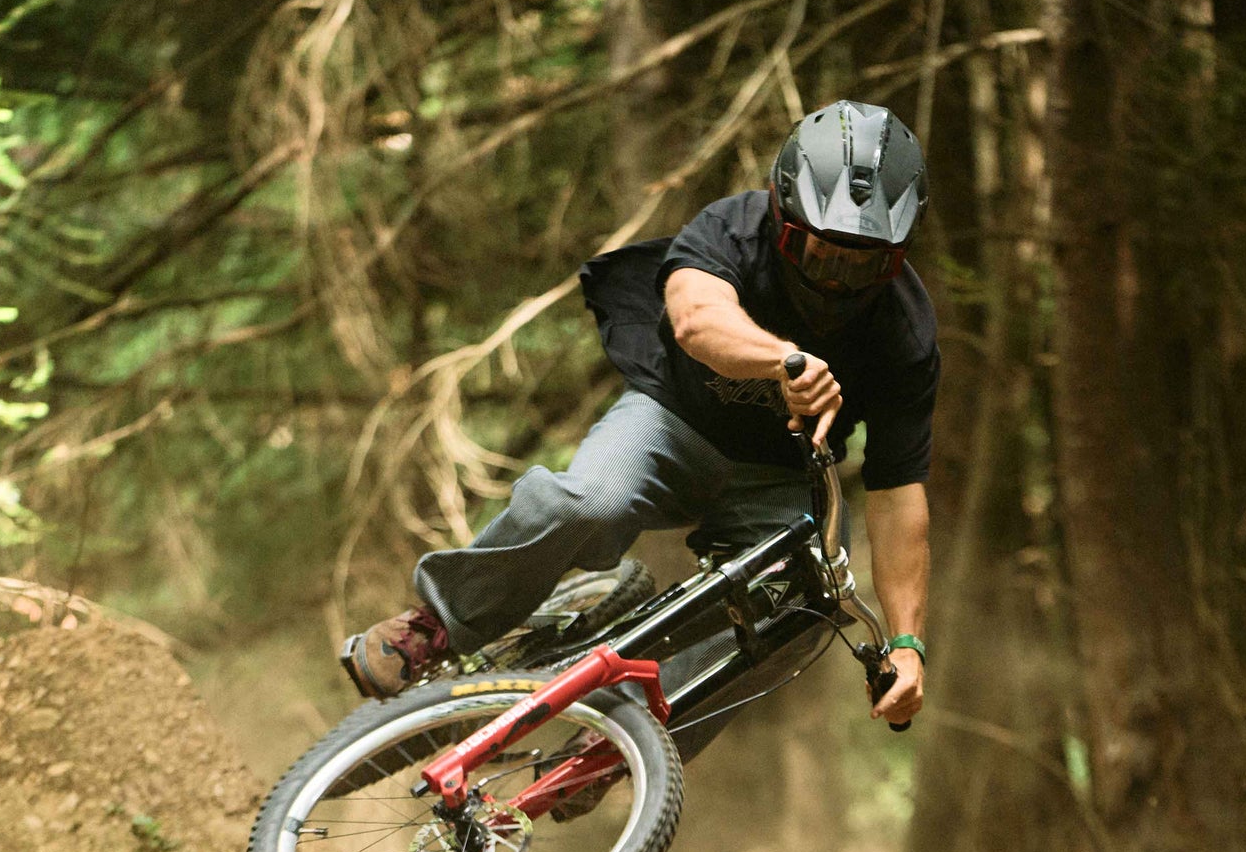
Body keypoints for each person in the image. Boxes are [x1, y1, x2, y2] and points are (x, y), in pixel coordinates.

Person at [341, 98, 937, 731]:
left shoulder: (904, 331)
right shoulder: (732, 229)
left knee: (802, 609)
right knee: (587, 503)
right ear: (783, 217)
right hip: (671, 424)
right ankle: (435, 627)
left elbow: (898, 495)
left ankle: (633, 742)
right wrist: (783, 361)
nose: (840, 280)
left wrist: (906, 645)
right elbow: (695, 317)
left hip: (783, 481)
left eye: (865, 263)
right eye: (823, 255)